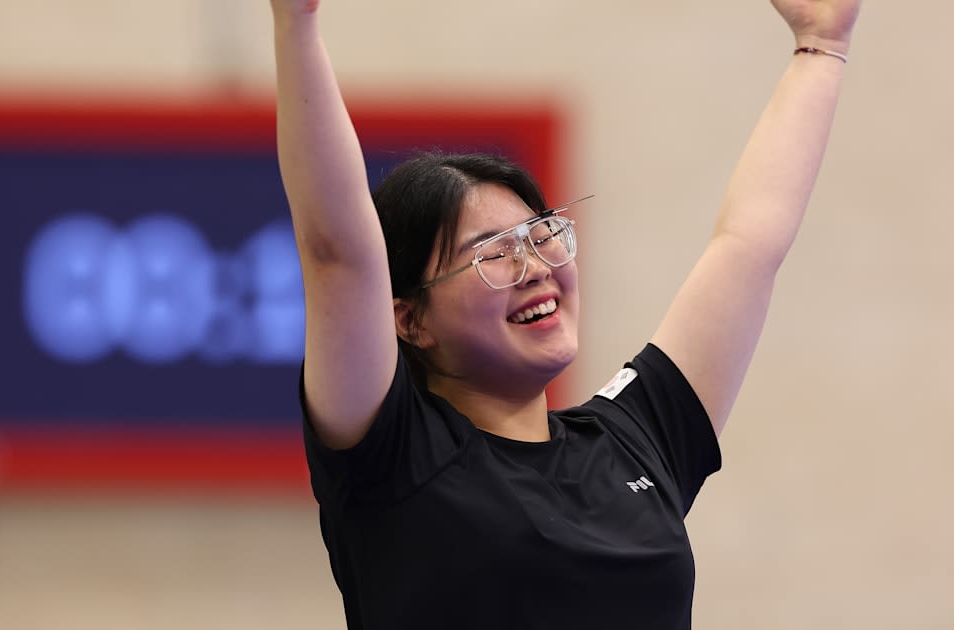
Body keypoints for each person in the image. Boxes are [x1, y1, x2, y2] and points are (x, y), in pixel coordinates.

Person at [270, 0, 861, 628]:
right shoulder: (392, 455)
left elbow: (747, 246)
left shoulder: (635, 440)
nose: (537, 268)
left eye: (541, 234)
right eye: (494, 255)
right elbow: (337, 255)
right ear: (410, 320)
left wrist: (820, 47)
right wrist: (295, 22)